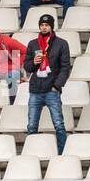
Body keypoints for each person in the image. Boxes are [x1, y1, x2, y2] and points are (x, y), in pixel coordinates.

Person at [24, 13, 70, 152]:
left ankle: (63, 153)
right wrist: (33, 62)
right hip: (35, 90)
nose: (44, 28)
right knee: (32, 125)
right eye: (42, 25)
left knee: (59, 124)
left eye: (46, 25)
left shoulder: (61, 43)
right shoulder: (33, 44)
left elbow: (65, 67)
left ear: (51, 26)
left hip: (52, 90)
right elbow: (27, 66)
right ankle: (32, 152)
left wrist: (57, 85)